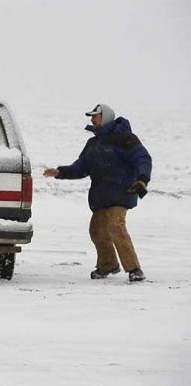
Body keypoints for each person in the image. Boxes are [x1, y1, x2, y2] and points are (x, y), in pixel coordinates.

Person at [44, 102, 151, 281]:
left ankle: (134, 269)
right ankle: (107, 265)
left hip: (122, 192)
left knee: (116, 226)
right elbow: (81, 168)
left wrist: (142, 179)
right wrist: (60, 172)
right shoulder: (93, 144)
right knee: (97, 230)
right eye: (91, 117)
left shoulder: (125, 138)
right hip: (101, 196)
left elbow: (142, 158)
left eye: (95, 116)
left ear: (106, 117)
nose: (92, 119)